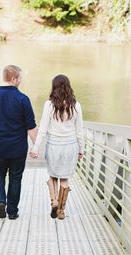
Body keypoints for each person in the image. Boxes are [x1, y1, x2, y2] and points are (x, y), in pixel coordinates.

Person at [0, 65, 38, 220]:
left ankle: (0, 201)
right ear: (14, 79)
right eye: (20, 78)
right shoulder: (23, 99)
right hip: (18, 148)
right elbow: (31, 127)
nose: (21, 81)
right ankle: (12, 211)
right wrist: (36, 146)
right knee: (15, 177)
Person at [30, 74, 84, 220]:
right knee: (65, 178)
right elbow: (79, 131)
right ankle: (61, 211)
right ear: (68, 87)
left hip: (54, 145)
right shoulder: (76, 106)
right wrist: (81, 149)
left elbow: (43, 129)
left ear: (54, 87)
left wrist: (35, 148)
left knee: (53, 175)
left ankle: (54, 201)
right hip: (71, 146)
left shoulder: (49, 105)